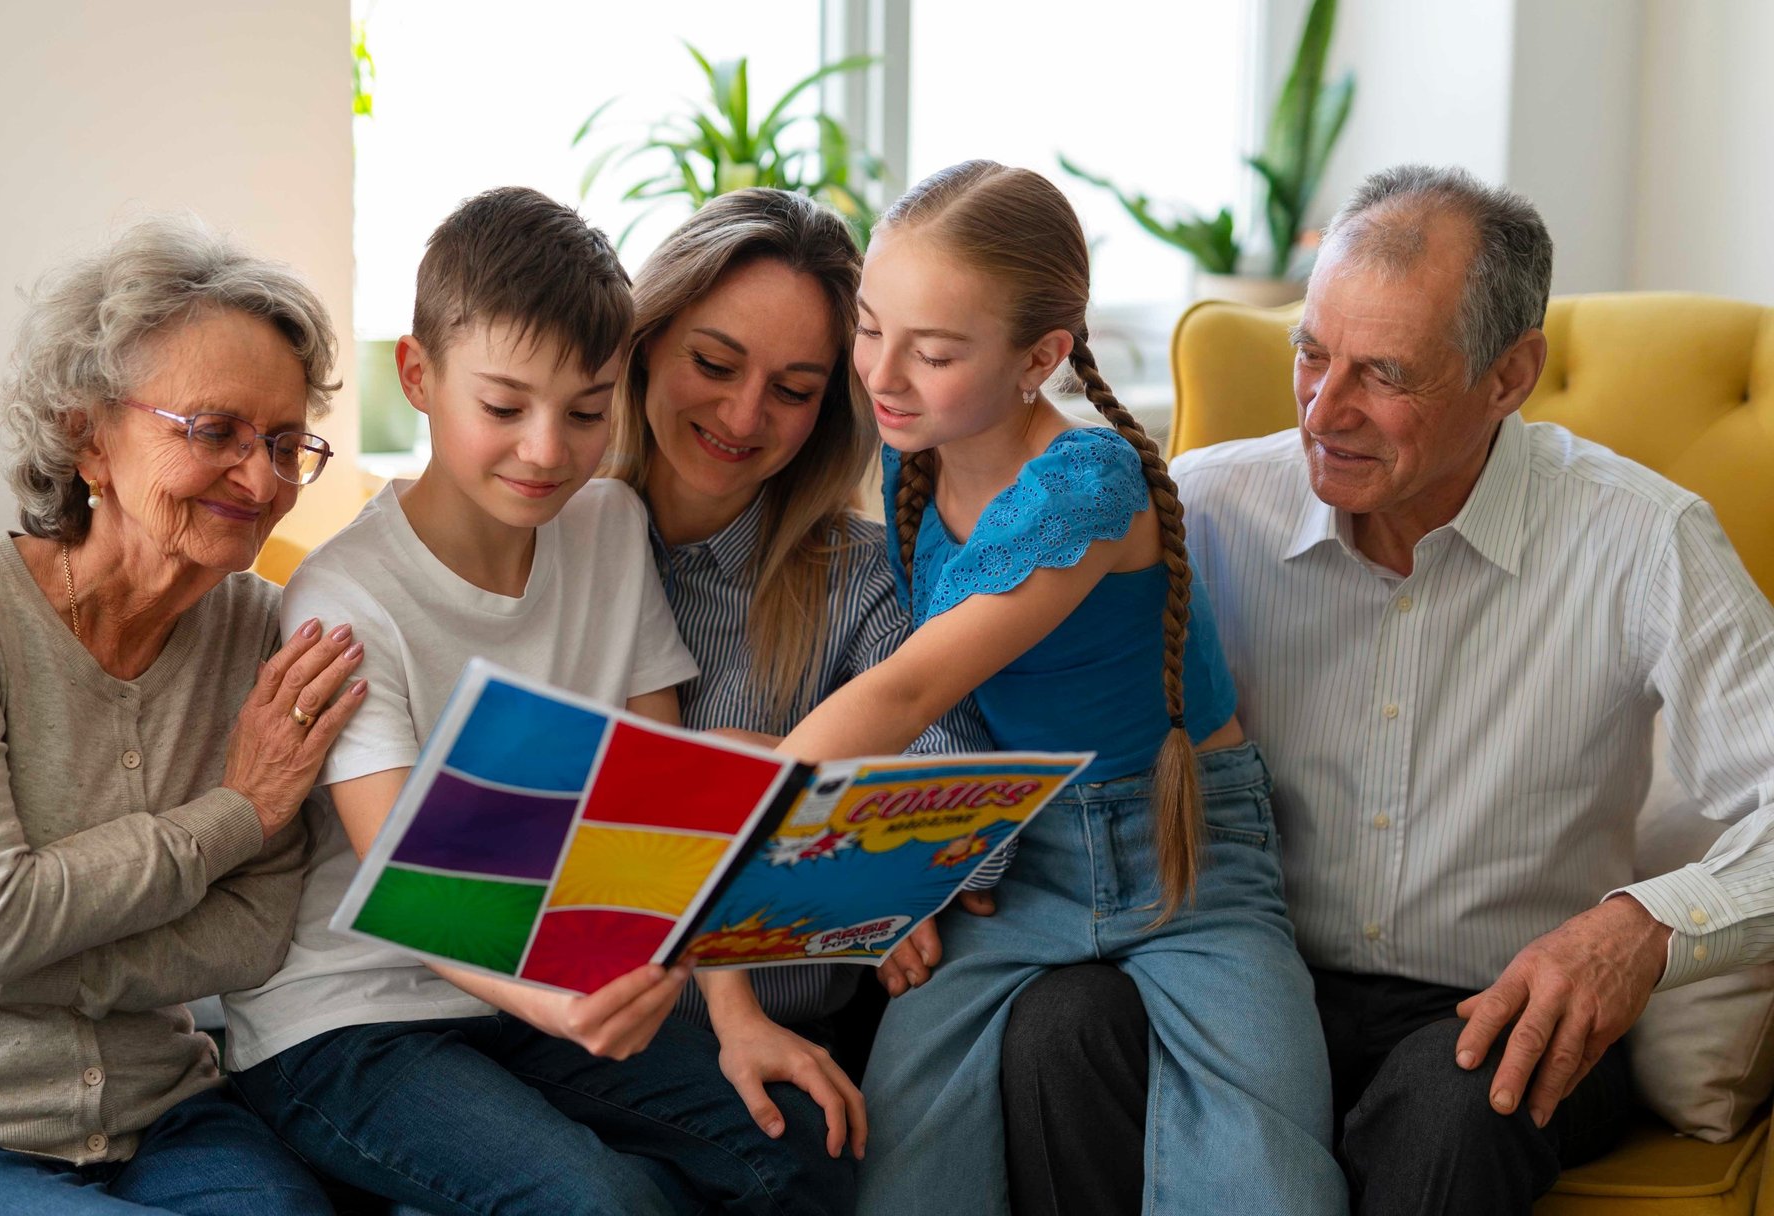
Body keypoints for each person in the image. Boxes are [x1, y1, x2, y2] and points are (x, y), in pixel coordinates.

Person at [223, 187, 858, 1216]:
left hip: (543, 988)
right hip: (351, 1016)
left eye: (587, 411)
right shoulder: (343, 597)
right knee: (598, 1203)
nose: (547, 450)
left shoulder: (607, 523)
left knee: (806, 1148)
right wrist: (554, 1003)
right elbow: (405, 882)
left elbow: (664, 797)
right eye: (506, 407)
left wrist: (735, 1013)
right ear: (419, 377)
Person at [1168, 164, 1774, 1214]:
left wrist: (1637, 930)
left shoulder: (1644, 539)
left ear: (1509, 375)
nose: (1326, 408)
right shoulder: (1202, 511)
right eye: (1311, 353)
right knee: (1063, 1031)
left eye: (1385, 372)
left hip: (1498, 1010)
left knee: (1458, 1100)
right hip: (1251, 985)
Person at [772, 159, 1347, 1215]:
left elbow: (906, 692)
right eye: (869, 328)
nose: (882, 374)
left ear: (1042, 356)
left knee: (1265, 1173)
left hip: (1189, 858)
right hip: (1019, 853)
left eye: (934, 352)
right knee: (906, 1150)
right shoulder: (917, 452)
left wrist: (727, 813)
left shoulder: (1088, 484)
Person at [0, 217, 363, 1214]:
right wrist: (237, 815)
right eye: (215, 432)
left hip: (167, 1112)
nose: (261, 482)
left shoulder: (267, 632)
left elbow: (253, 934)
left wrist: (1, 975)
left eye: (283, 443)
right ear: (88, 433)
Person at [607, 186, 999, 1056]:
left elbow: (969, 841)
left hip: (778, 1038)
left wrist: (865, 884)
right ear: (643, 345)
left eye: (792, 389)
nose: (744, 417)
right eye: (713, 365)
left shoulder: (858, 578)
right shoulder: (546, 547)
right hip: (552, 1034)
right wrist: (831, 851)